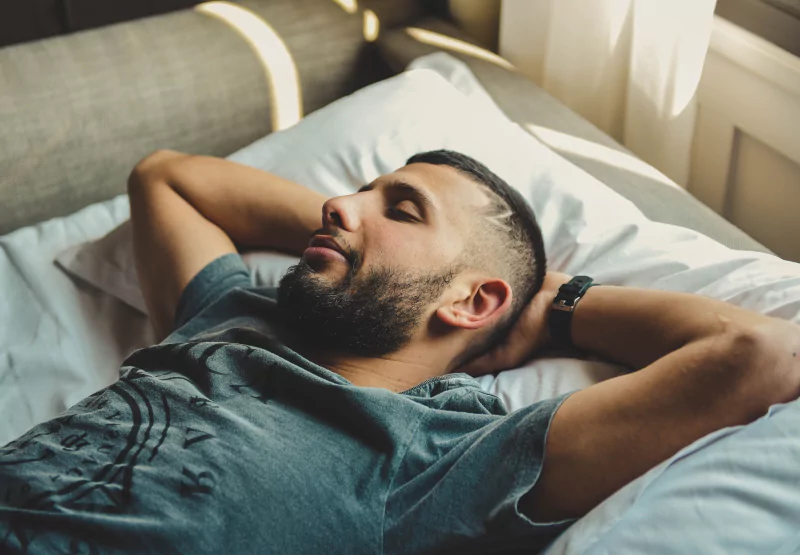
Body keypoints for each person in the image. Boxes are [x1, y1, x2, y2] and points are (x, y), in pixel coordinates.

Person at [1, 149, 798, 555]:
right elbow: (166, 178)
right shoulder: (230, 312)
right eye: (358, 191)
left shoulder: (446, 453)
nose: (336, 202)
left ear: (472, 300)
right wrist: (352, 235)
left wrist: (554, 307)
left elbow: (759, 351)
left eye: (402, 208)